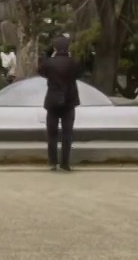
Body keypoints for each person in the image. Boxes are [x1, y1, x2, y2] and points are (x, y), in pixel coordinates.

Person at [38, 36, 82, 172]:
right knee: (67, 133)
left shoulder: (48, 63)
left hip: (52, 101)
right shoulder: (74, 62)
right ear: (68, 47)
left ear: (54, 47)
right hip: (69, 100)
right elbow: (79, 74)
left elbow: (41, 72)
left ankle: (53, 162)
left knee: (52, 133)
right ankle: (65, 163)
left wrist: (48, 54)